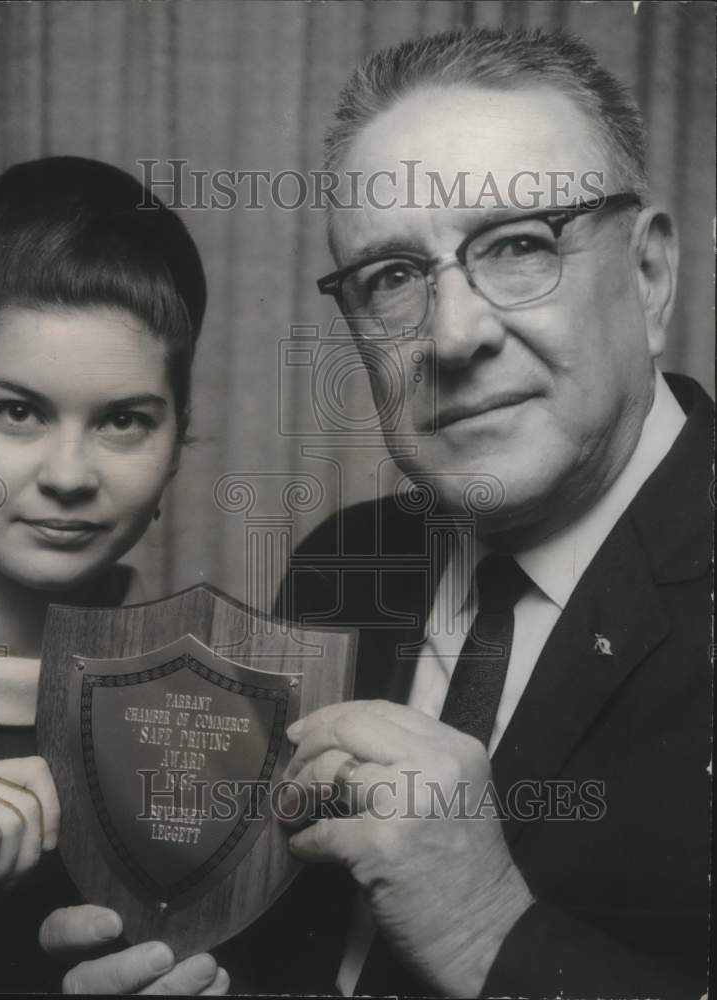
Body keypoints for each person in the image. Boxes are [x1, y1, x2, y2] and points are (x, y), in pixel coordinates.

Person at [38, 28, 711, 998]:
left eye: (519, 246)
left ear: (648, 274)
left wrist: (490, 932)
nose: (454, 334)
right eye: (394, 278)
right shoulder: (341, 564)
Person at [0, 156, 229, 995]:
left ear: (176, 447)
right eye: (17, 411)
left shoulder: (206, 715)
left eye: (124, 421)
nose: (69, 473)